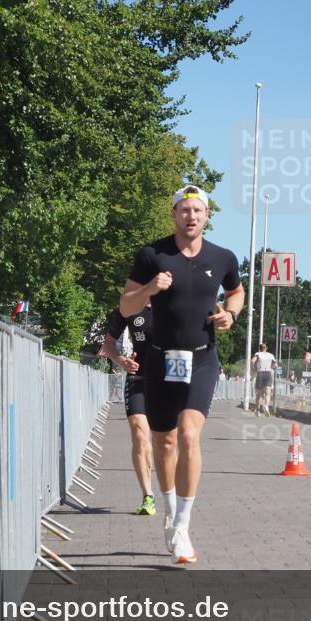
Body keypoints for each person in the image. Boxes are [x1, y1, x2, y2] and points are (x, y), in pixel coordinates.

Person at [120, 185, 244, 565]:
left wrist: (230, 314)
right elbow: (126, 306)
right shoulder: (151, 255)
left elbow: (236, 292)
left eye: (198, 211)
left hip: (203, 358)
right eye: (184, 210)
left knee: (189, 434)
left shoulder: (223, 257)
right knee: (166, 443)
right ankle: (171, 514)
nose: (191, 216)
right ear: (173, 213)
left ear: (207, 216)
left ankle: (183, 526)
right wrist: (150, 289)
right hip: (160, 360)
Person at [99, 305, 156, 516]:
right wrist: (122, 361)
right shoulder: (128, 307)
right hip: (137, 377)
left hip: (166, 381)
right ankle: (148, 495)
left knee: (164, 441)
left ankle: (173, 493)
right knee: (140, 434)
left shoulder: (173, 303)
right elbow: (108, 345)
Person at [251, 342, 277, 416]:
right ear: (266, 348)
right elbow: (276, 365)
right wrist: (270, 367)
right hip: (268, 373)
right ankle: (266, 406)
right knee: (268, 393)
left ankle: (257, 410)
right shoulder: (271, 355)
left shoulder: (258, 354)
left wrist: (253, 368)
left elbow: (252, 361)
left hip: (260, 373)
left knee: (258, 394)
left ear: (260, 349)